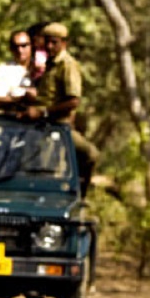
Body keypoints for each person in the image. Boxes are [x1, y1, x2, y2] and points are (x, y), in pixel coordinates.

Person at [20, 22, 99, 197]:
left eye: (54, 42)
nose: (49, 46)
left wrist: (44, 112)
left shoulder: (67, 65)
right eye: (46, 42)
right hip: (42, 126)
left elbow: (73, 101)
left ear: (64, 43)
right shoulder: (49, 64)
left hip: (58, 126)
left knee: (89, 155)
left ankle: (79, 196)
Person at [0, 30, 33, 113]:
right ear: (10, 49)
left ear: (31, 45)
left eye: (24, 45)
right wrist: (22, 99)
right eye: (15, 46)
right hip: (12, 121)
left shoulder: (42, 67)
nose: (20, 50)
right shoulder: (4, 69)